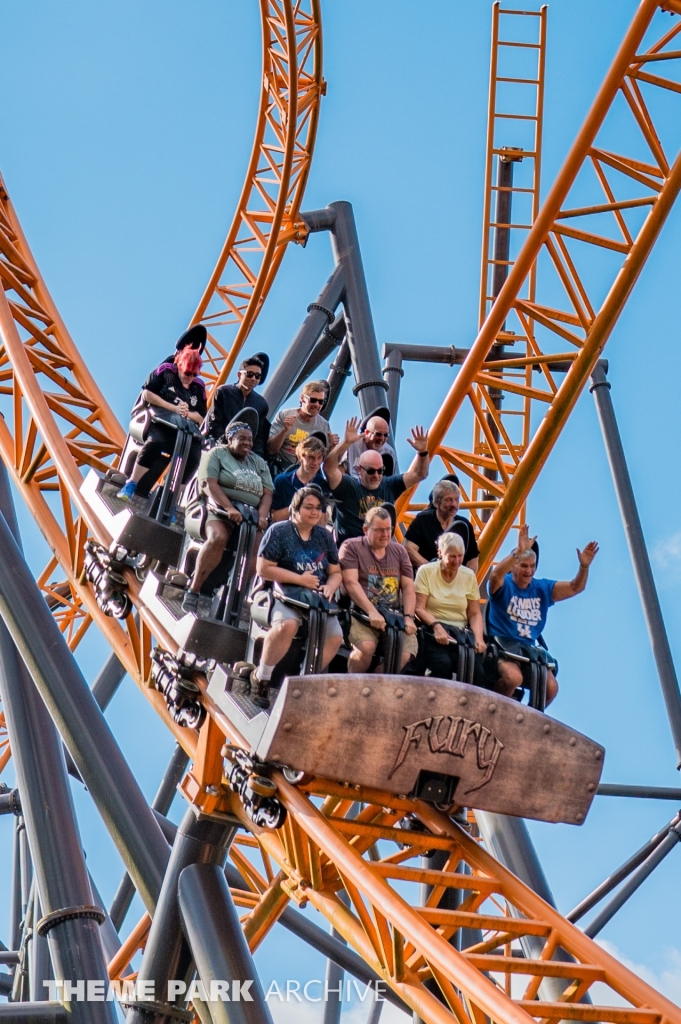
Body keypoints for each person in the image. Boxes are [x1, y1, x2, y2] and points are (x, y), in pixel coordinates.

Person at [486, 524, 599, 705]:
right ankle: (492, 710)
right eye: (524, 566)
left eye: (532, 566)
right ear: (514, 566)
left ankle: (527, 721)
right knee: (513, 678)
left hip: (528, 651)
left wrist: (583, 567)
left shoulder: (541, 588)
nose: (529, 571)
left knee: (551, 687)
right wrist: (517, 551)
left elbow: (575, 587)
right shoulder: (504, 584)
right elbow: (495, 576)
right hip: (502, 647)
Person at [252, 486, 343, 707]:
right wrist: (300, 579)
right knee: (287, 625)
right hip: (283, 594)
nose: (314, 512)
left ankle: (302, 683)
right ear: (296, 508)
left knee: (335, 636)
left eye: (318, 509)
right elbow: (264, 569)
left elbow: (335, 572)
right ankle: (261, 677)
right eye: (308, 507)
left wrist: (331, 586)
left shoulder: (323, 536)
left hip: (316, 599)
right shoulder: (279, 531)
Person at [182, 422, 273, 612]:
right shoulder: (216, 454)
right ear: (230, 439)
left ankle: (232, 592)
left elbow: (267, 493)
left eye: (250, 440)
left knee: (261, 550)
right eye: (242, 439)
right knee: (218, 537)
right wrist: (228, 507)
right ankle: (194, 589)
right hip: (216, 509)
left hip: (249, 516)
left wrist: (262, 516)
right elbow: (208, 483)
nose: (247, 443)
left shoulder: (258, 462)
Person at [118, 347, 206, 502]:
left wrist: (186, 413)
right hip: (160, 420)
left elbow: (200, 416)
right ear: (179, 366)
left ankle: (172, 499)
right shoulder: (166, 372)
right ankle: (132, 483)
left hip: (184, 428)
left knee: (193, 458)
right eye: (187, 373)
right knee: (157, 443)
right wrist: (174, 408)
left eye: (194, 374)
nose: (190, 378)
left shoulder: (198, 386)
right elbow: (147, 394)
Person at [325, 417, 431, 545]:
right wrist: (346, 443)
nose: (376, 475)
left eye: (380, 471)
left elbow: (419, 474)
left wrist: (423, 452)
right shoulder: (348, 486)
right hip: (350, 550)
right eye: (370, 471)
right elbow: (329, 469)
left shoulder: (389, 485)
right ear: (359, 470)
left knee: (398, 552)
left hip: (378, 551)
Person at [339, 506, 418, 672]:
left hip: (393, 616)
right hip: (361, 614)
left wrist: (409, 616)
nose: (385, 535)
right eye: (380, 530)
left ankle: (376, 686)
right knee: (366, 647)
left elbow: (408, 587)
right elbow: (351, 583)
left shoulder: (399, 551)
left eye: (388, 529)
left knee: (404, 653)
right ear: (366, 530)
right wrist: (371, 611)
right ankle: (354, 686)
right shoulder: (352, 547)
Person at [412, 532, 485, 680]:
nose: (457, 561)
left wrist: (478, 637)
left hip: (460, 634)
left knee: (477, 673)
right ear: (440, 553)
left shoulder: (469, 575)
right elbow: (418, 608)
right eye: (452, 556)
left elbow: (475, 613)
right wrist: (436, 627)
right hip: (432, 630)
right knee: (442, 665)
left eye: (460, 556)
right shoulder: (426, 571)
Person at [203, 354, 270, 457]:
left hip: (244, 455)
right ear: (239, 375)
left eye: (257, 376)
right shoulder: (223, 392)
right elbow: (214, 423)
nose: (253, 378)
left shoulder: (262, 404)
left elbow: (258, 436)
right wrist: (225, 445)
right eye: (250, 374)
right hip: (219, 448)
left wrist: (257, 457)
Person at [405, 479, 479, 572]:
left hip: (454, 583)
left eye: (456, 499)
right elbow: (409, 548)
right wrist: (432, 570)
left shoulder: (465, 525)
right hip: (426, 581)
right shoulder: (423, 519)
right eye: (448, 500)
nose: (454, 504)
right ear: (436, 502)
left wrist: (465, 580)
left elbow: (473, 558)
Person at [267, 381, 331, 469]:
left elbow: (325, 459)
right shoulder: (285, 415)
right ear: (302, 398)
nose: (317, 404)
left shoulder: (324, 425)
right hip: (281, 467)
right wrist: (284, 430)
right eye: (313, 400)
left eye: (321, 401)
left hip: (307, 470)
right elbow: (271, 449)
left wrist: (333, 446)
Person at [270, 435, 331, 522]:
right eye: (311, 457)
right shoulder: (282, 481)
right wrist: (299, 505)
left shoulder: (322, 485)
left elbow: (321, 524)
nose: (316, 463)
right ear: (300, 457)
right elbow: (275, 517)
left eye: (319, 458)